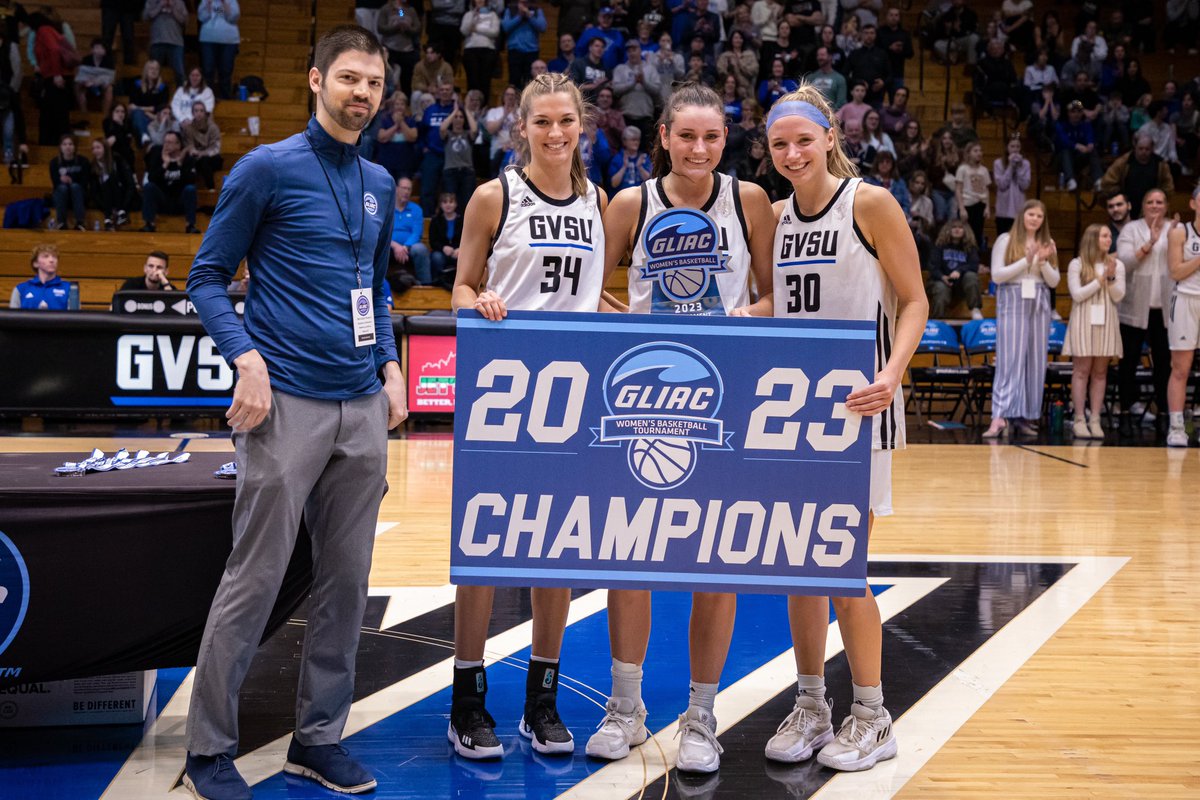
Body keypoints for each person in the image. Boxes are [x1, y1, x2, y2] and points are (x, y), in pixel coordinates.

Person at [183, 26, 406, 800]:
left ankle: (318, 739)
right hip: (286, 406)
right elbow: (207, 276)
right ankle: (208, 748)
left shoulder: (380, 181)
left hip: (362, 405)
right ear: (316, 80)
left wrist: (390, 364)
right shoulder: (266, 168)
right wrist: (246, 358)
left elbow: (374, 286)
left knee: (347, 584)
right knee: (255, 577)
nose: (362, 93)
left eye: (374, 83)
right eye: (349, 78)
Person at [588, 81, 775, 774]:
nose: (699, 148)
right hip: (643, 394)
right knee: (629, 555)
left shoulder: (749, 200)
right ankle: (625, 707)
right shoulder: (631, 203)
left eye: (712, 136)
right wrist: (633, 325)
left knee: (715, 562)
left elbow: (773, 295)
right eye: (687, 135)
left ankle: (701, 717)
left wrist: (738, 320)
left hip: (723, 393)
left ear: (726, 141)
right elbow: (588, 288)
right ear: (663, 137)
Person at [762, 82, 927, 773]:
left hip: (859, 410)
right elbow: (773, 303)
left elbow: (915, 300)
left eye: (804, 139)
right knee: (800, 569)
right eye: (780, 144)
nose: (793, 153)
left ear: (830, 137)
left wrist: (891, 374)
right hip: (790, 415)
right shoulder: (773, 216)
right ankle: (812, 704)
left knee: (841, 566)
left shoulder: (870, 203)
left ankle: (873, 714)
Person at [448, 72, 608, 761]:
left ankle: (541, 700)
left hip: (574, 400)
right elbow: (460, 286)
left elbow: (593, 295)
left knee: (558, 551)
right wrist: (477, 300)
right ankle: (467, 700)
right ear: (523, 128)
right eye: (542, 121)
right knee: (484, 548)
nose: (555, 132)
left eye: (566, 120)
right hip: (504, 397)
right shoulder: (495, 196)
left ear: (582, 126)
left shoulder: (600, 201)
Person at [983, 200, 1059, 438]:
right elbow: (997, 275)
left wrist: (1043, 261)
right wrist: (1026, 260)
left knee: (1035, 360)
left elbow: (1054, 281)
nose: (1035, 219)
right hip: (1013, 296)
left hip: (1039, 298)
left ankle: (1024, 415)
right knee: (1009, 358)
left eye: (1039, 215)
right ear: (1022, 215)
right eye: (1031, 214)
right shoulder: (1006, 240)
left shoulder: (1047, 242)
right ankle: (999, 415)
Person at [1115, 189, 1172, 439]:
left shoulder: (1174, 229)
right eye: (1150, 202)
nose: (1155, 205)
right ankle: (1125, 413)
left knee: (1164, 365)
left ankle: (1164, 414)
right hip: (1135, 306)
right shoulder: (1131, 229)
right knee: (1128, 363)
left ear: (1166, 206)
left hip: (1164, 308)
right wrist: (1149, 243)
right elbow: (1125, 262)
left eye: (1159, 202)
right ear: (1143, 205)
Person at [1063, 224, 1125, 439]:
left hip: (1106, 319)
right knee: (1081, 371)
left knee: (1100, 373)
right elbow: (1077, 295)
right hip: (1083, 319)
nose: (1109, 239)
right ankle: (1079, 418)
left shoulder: (1117, 265)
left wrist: (1111, 277)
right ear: (1093, 239)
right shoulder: (1077, 264)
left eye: (1109, 236)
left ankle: (1096, 418)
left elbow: (1118, 295)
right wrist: (1100, 279)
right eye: (1104, 236)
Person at [1165, 187, 1200, 446]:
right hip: (1186, 299)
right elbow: (1176, 271)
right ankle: (1176, 427)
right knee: (1181, 368)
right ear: (1193, 203)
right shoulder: (1180, 232)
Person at [1100, 135, 1174, 217]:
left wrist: (1158, 200)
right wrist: (1121, 197)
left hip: (1151, 209)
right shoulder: (1123, 162)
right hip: (1126, 208)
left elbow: (1168, 187)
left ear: (1152, 149)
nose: (1144, 151)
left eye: (1147, 149)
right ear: (1135, 147)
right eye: (1140, 148)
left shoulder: (1161, 165)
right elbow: (1107, 182)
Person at [141, 130, 198, 232]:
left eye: (170, 142)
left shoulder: (187, 159)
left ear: (178, 145)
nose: (166, 145)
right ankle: (149, 224)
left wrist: (179, 165)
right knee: (149, 187)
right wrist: (165, 165)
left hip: (180, 200)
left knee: (190, 189)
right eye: (165, 142)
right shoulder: (158, 157)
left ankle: (190, 225)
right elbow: (151, 178)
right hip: (162, 200)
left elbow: (191, 179)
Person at [927, 218, 982, 319]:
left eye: (960, 227)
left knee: (971, 276)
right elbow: (933, 267)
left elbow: (974, 265)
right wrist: (942, 277)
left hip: (961, 284)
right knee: (941, 288)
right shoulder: (939, 246)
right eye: (954, 227)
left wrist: (959, 271)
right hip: (941, 281)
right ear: (948, 229)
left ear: (965, 231)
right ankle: (937, 321)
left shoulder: (970, 248)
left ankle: (975, 310)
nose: (957, 230)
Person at [389, 176, 431, 284]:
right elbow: (382, 232)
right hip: (390, 245)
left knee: (420, 249)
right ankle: (378, 285)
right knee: (379, 248)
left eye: (409, 189)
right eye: (404, 188)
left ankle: (425, 285)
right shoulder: (387, 208)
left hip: (410, 247)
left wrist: (405, 246)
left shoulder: (416, 209)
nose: (406, 192)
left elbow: (417, 233)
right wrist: (395, 246)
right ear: (396, 189)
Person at [438, 100, 478, 211]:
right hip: (450, 172)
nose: (458, 119)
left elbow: (474, 129)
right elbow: (442, 128)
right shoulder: (448, 134)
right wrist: (455, 110)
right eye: (456, 117)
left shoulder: (467, 134)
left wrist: (466, 110)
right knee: (450, 201)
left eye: (461, 117)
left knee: (467, 203)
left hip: (467, 173)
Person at [88, 137, 135, 228]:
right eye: (93, 148)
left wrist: (124, 206)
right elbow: (94, 192)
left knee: (111, 179)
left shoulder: (117, 160)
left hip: (122, 197)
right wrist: (105, 207)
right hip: (104, 201)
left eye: (98, 147)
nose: (95, 151)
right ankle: (108, 216)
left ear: (105, 148)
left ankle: (120, 212)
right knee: (106, 184)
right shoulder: (92, 166)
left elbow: (129, 184)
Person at [377, 0, 421, 98]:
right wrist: (395, 27)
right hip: (390, 49)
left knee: (406, 79)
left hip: (407, 50)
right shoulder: (386, 9)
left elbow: (417, 28)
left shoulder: (411, 10)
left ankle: (405, 101)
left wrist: (408, 29)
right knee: (389, 78)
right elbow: (380, 27)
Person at [10, 244, 74, 310]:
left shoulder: (69, 289)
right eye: (46, 256)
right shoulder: (21, 289)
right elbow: (12, 316)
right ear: (35, 263)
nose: (51, 260)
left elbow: (74, 315)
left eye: (54, 257)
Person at [198, 0, 240, 99]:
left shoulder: (231, 1)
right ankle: (206, 97)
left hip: (228, 40)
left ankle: (225, 98)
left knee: (226, 70)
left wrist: (224, 3)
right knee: (208, 70)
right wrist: (208, 5)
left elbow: (233, 18)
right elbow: (202, 17)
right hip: (208, 39)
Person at [502, 0, 547, 90]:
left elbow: (542, 27)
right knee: (514, 81)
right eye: (522, 2)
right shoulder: (510, 9)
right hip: (515, 50)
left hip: (532, 51)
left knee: (530, 82)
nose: (524, 4)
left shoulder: (537, 10)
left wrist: (529, 16)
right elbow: (505, 27)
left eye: (526, 2)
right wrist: (520, 16)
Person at [459, 0, 500, 98]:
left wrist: (476, 29)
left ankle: (483, 104)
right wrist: (473, 16)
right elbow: (464, 31)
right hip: (470, 49)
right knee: (472, 80)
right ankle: (471, 104)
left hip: (488, 50)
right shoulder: (468, 14)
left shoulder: (492, 15)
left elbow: (495, 32)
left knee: (485, 81)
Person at [142, 0, 188, 87]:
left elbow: (185, 20)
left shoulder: (179, 2)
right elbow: (145, 17)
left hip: (176, 42)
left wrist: (173, 7)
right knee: (152, 73)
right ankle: (152, 92)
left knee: (180, 73)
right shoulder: (152, 1)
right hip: (157, 41)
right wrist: (160, 5)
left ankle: (182, 93)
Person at [955, 140, 990, 250]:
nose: (979, 153)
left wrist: (987, 207)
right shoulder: (962, 169)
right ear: (968, 153)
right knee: (965, 233)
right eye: (975, 151)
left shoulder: (984, 170)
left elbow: (986, 189)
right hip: (967, 204)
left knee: (977, 233)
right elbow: (958, 189)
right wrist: (961, 208)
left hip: (980, 204)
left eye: (980, 151)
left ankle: (976, 255)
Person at [49, 134, 88, 230]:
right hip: (61, 195)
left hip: (78, 195)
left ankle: (80, 222)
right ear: (60, 147)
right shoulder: (54, 163)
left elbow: (84, 182)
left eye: (70, 144)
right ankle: (61, 222)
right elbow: (55, 184)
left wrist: (71, 181)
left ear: (75, 147)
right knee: (62, 188)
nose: (68, 147)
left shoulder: (83, 161)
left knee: (75, 187)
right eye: (65, 144)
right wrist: (61, 180)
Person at [993, 134, 1030, 237]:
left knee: (1018, 239)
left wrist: (1018, 168)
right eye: (1012, 146)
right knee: (1002, 239)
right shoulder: (998, 163)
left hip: (1018, 209)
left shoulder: (1025, 164)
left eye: (1018, 146)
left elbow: (1025, 185)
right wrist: (1010, 166)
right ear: (1007, 147)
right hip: (1003, 210)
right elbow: (1002, 184)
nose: (1015, 149)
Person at [182, 101, 223, 189]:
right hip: (197, 157)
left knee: (204, 161)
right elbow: (189, 144)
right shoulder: (189, 128)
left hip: (212, 157)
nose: (199, 113)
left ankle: (211, 189)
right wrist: (194, 151)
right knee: (189, 160)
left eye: (201, 111)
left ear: (205, 113)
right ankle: (188, 189)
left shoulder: (213, 127)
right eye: (196, 111)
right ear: (192, 113)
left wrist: (202, 153)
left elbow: (216, 148)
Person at [128, 59, 170, 144]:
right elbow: (132, 105)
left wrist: (140, 109)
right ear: (146, 70)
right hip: (140, 116)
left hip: (155, 117)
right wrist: (148, 111)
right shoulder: (137, 85)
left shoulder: (163, 88)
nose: (154, 71)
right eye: (151, 68)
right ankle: (144, 136)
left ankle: (145, 137)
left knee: (138, 112)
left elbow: (161, 107)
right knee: (137, 114)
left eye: (156, 69)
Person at [427, 191, 460, 288]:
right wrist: (443, 248)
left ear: (455, 204)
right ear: (441, 205)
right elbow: (433, 241)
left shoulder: (462, 220)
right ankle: (438, 282)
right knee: (436, 257)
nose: (448, 205)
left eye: (451, 202)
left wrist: (461, 249)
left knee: (466, 257)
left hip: (459, 251)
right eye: (445, 202)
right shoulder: (435, 220)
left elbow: (468, 239)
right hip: (441, 252)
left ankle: (461, 284)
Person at [74, 39, 115, 115]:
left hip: (101, 84)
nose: (99, 50)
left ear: (105, 50)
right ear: (92, 50)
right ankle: (83, 113)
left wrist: (97, 81)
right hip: (87, 83)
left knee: (110, 88)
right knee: (77, 85)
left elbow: (109, 77)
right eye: (97, 48)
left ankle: (105, 115)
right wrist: (85, 81)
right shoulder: (86, 59)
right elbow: (81, 75)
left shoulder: (109, 61)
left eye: (101, 48)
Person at [607, 124, 651, 193]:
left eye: (638, 140)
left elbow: (650, 182)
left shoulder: (644, 158)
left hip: (640, 196)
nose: (636, 142)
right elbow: (614, 184)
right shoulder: (617, 158)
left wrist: (640, 167)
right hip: (621, 196)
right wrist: (624, 167)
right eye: (633, 140)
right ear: (624, 141)